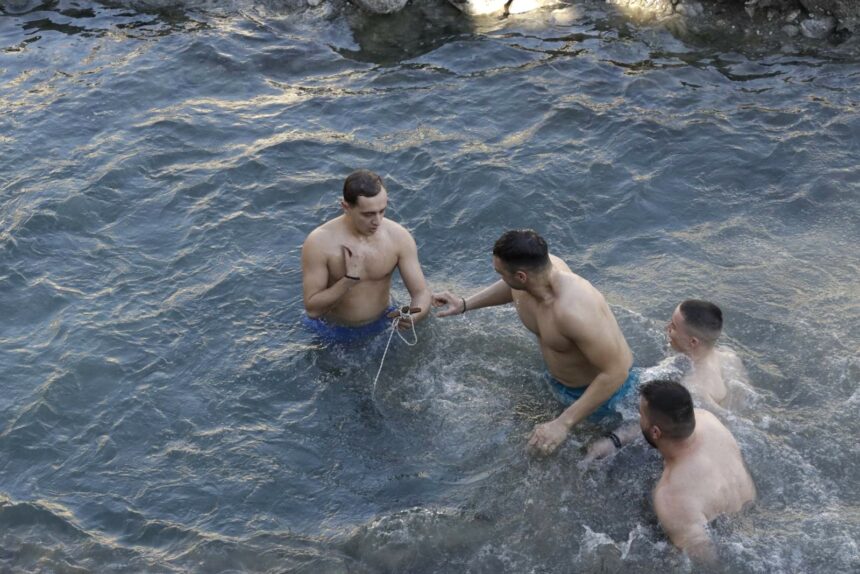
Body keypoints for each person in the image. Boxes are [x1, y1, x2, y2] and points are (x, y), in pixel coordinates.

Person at [432, 229, 636, 455]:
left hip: (603, 399)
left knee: (585, 458)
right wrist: (464, 304)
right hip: (557, 383)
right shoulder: (532, 278)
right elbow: (510, 287)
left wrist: (563, 423)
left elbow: (616, 372)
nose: (501, 279)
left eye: (501, 273)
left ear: (521, 276)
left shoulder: (575, 310)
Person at [301, 169, 430, 344]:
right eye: (368, 214)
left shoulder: (398, 237)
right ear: (346, 207)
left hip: (383, 323)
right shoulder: (319, 243)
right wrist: (348, 280)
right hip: (333, 330)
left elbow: (421, 292)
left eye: (382, 211)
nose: (377, 221)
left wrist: (414, 316)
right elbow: (312, 310)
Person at [636, 380, 755, 563]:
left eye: (640, 415)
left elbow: (706, 561)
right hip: (751, 515)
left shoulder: (671, 497)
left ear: (656, 432)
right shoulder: (708, 419)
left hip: (731, 546)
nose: (638, 420)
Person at [666, 299, 748, 410]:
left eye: (673, 326)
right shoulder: (730, 357)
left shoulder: (693, 389)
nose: (667, 328)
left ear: (693, 342)